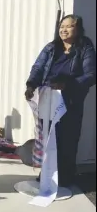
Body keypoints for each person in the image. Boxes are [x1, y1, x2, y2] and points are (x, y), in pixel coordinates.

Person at [25, 14, 96, 187]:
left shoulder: (85, 47)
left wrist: (68, 85)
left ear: (77, 28)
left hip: (70, 100)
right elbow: (38, 67)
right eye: (61, 26)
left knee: (67, 139)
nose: (63, 30)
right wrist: (31, 85)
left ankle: (64, 178)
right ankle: (46, 174)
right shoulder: (51, 47)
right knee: (47, 138)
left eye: (69, 26)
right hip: (48, 98)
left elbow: (91, 75)